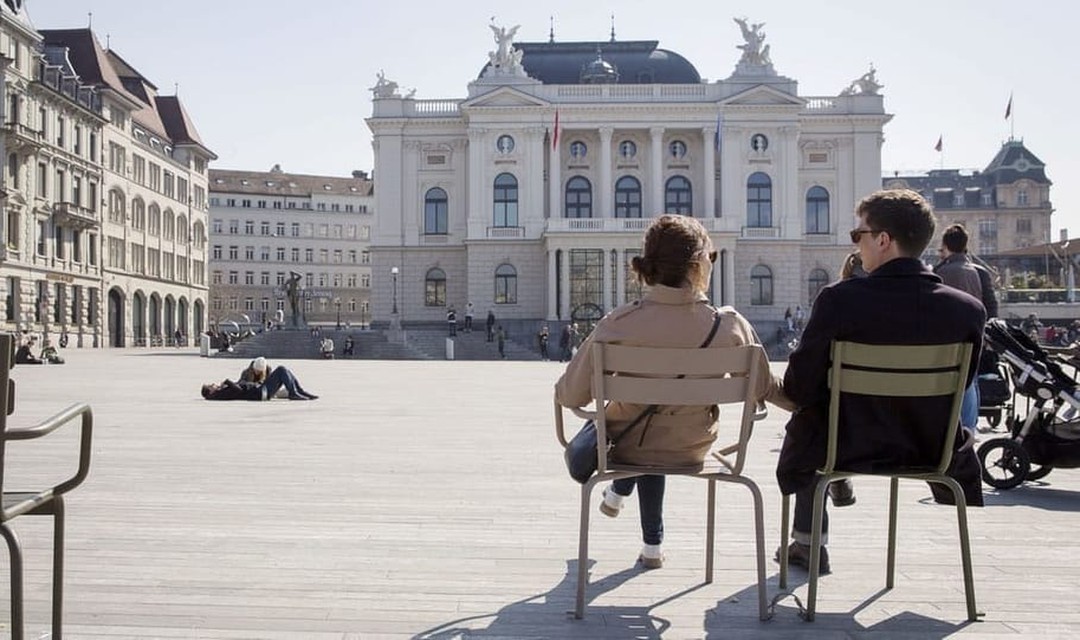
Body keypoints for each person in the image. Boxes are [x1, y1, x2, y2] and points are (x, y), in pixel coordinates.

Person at [556, 214, 790, 569]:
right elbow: (766, 391)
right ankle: (651, 542)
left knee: (637, 429)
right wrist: (808, 403)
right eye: (710, 258)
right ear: (698, 264)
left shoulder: (619, 323)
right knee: (661, 429)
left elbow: (570, 397)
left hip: (626, 449)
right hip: (692, 449)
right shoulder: (729, 325)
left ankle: (626, 502)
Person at [777, 189, 985, 575]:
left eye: (859, 235)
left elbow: (799, 387)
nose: (856, 243)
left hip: (844, 448)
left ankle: (807, 542)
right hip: (928, 448)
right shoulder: (967, 311)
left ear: (883, 240)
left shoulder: (839, 300)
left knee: (810, 419)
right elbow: (963, 389)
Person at [935, 224, 987, 434]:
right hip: (972, 331)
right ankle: (970, 426)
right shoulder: (973, 270)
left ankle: (960, 427)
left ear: (946, 245)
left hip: (949, 335)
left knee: (956, 382)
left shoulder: (944, 271)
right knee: (971, 380)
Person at [201, 365, 318, 401]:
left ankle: (300, 391)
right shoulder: (219, 394)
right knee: (281, 370)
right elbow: (239, 390)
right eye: (211, 386)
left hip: (260, 389)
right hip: (260, 392)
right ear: (211, 391)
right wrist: (227, 381)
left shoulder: (221, 392)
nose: (214, 384)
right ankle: (293, 393)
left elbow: (238, 388)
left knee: (284, 370)